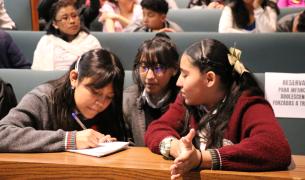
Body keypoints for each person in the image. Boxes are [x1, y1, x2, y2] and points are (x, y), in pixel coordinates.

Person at [145, 39, 291, 179]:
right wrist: (178, 149)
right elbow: (157, 128)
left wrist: (202, 158)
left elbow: (276, 147)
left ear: (209, 79)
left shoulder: (249, 103)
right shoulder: (186, 101)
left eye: (185, 75)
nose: (178, 82)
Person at [0, 48, 127, 152]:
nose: (101, 102)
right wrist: (69, 140)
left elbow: (128, 141)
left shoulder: (111, 106)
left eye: (109, 96)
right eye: (95, 92)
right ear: (74, 78)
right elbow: (3, 134)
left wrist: (109, 145)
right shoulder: (44, 98)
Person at [123, 33, 180, 146]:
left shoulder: (183, 100)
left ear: (174, 69)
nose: (149, 76)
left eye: (158, 68)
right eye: (144, 67)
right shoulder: (128, 99)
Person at [32, 0, 101, 71]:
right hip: (53, 81)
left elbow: (99, 71)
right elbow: (38, 72)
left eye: (74, 16)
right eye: (65, 18)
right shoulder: (46, 42)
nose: (72, 21)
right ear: (55, 24)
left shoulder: (91, 41)